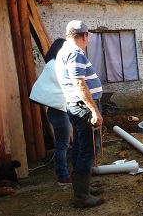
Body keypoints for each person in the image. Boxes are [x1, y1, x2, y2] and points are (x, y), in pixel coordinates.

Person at [55, 20, 105, 208]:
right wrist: (94, 110)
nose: (87, 40)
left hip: (75, 106)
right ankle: (82, 196)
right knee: (87, 150)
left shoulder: (64, 50)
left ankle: (83, 189)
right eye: (87, 37)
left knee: (79, 148)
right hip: (83, 108)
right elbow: (79, 84)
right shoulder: (74, 53)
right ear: (83, 36)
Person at [30, 38, 72, 186]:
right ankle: (63, 176)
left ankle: (64, 173)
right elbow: (65, 87)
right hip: (59, 112)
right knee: (62, 145)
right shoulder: (55, 66)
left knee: (63, 144)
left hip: (57, 111)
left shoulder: (52, 64)